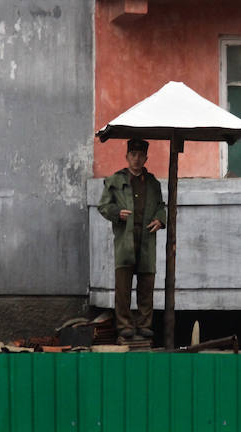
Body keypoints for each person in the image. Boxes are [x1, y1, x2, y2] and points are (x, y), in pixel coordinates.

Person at [97, 138, 166, 339]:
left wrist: (160, 220)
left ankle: (144, 324)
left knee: (146, 285)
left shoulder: (153, 183)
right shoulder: (115, 181)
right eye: (133, 155)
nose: (136, 159)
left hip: (146, 241)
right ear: (126, 156)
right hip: (125, 241)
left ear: (146, 158)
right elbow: (103, 206)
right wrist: (117, 213)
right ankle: (124, 325)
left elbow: (161, 206)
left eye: (140, 155)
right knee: (123, 287)